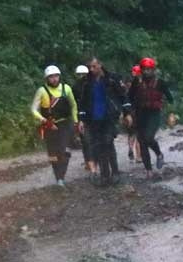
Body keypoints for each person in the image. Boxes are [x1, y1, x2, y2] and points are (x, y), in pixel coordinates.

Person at [76, 57, 128, 186]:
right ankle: (105, 175)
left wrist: (127, 113)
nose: (92, 70)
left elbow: (123, 96)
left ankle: (115, 172)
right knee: (99, 146)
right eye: (90, 67)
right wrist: (81, 119)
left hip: (109, 116)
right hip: (93, 118)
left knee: (108, 142)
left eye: (94, 66)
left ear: (100, 64)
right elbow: (82, 102)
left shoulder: (112, 79)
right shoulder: (86, 82)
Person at [31, 65, 79, 187]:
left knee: (64, 150)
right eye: (51, 77)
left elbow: (73, 105)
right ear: (47, 78)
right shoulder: (42, 91)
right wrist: (44, 120)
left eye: (56, 76)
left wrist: (76, 121)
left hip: (65, 123)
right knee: (52, 154)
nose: (54, 79)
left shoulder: (66, 88)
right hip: (49, 125)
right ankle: (58, 177)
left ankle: (61, 177)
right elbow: (33, 109)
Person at [127, 57, 174, 178]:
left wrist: (171, 113)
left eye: (149, 69)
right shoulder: (136, 82)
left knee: (148, 138)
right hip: (140, 114)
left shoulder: (160, 83)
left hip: (154, 114)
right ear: (141, 70)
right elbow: (129, 98)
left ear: (153, 70)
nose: (147, 72)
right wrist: (127, 113)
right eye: (145, 69)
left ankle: (159, 154)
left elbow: (170, 98)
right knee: (142, 142)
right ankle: (148, 170)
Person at [71, 64, 94, 174]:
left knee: (93, 140)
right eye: (79, 74)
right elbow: (73, 103)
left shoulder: (92, 85)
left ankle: (93, 160)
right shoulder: (74, 87)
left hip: (92, 116)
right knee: (85, 140)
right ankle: (88, 161)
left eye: (83, 74)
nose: (81, 76)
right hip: (80, 116)